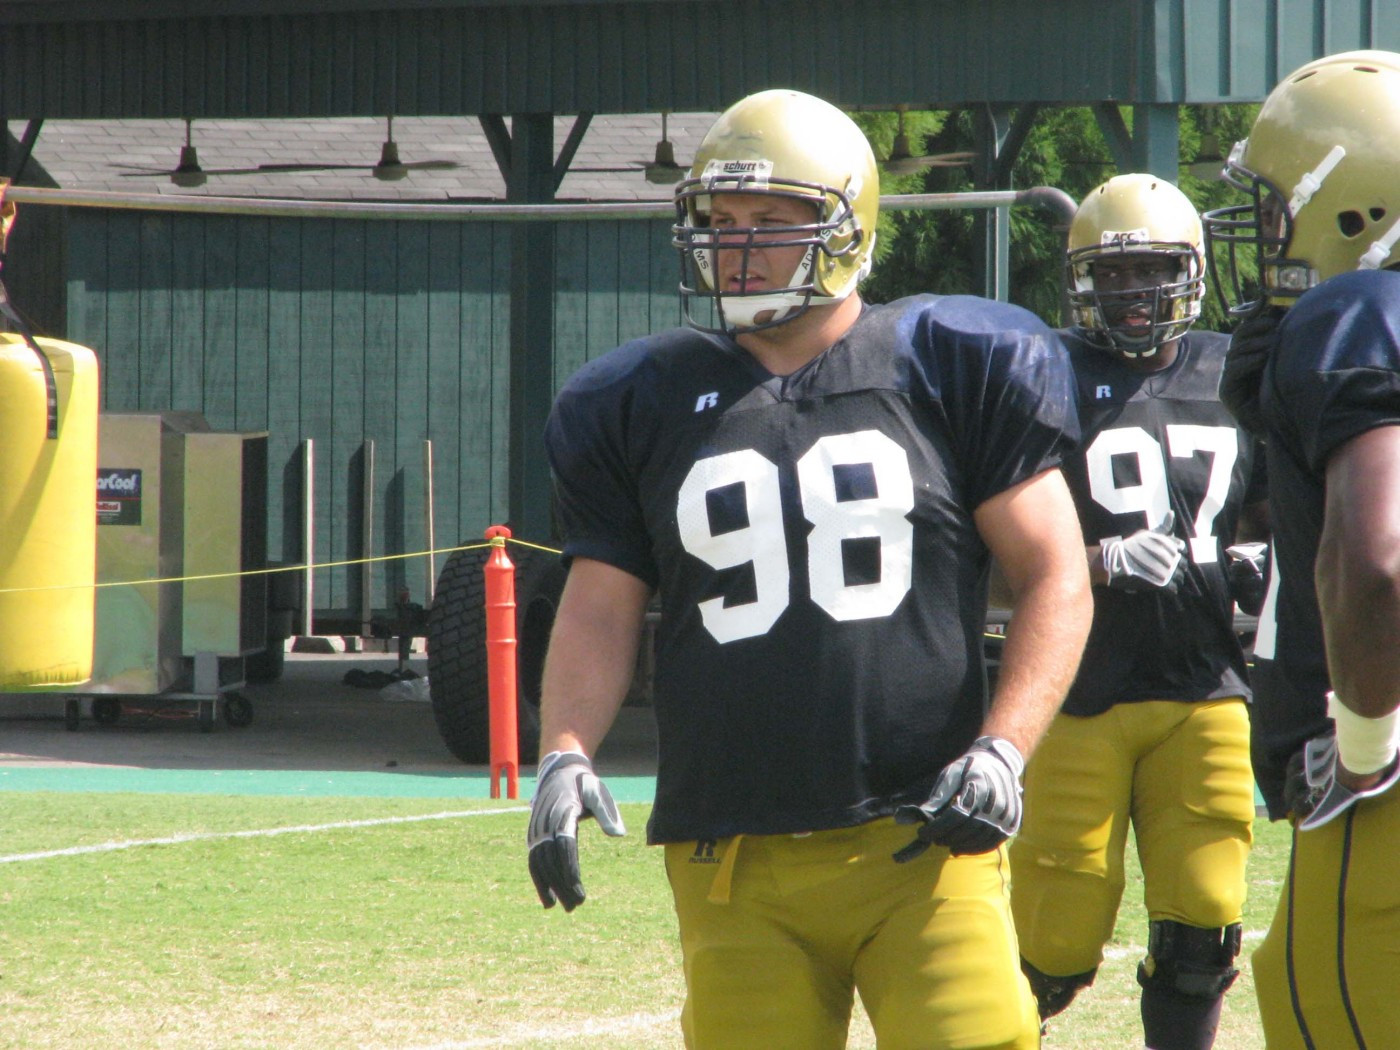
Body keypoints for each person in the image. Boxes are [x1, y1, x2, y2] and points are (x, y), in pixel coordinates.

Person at [525, 88, 1093, 1049]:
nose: (737, 247)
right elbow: (599, 603)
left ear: (846, 225)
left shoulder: (951, 362)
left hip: (925, 838)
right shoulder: (636, 399)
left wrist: (1005, 748)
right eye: (722, 221)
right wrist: (564, 751)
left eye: (772, 223)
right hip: (731, 856)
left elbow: (1056, 575)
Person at [1006, 174, 1266, 1050]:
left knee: (1202, 932)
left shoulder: (1236, 370)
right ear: (1078, 280)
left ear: (1189, 271)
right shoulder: (1039, 374)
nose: (1132, 293)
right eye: (1111, 275)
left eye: (1152, 270)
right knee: (1050, 946)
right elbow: (983, 552)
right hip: (1079, 693)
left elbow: (1278, 511)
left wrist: (1268, 560)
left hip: (1206, 688)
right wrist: (1094, 561)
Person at [1203, 49, 1400, 1047]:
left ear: (1352, 208)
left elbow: (1377, 559)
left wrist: (1361, 748)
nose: (1260, 235)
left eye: (1273, 209)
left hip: (1377, 809)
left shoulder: (1358, 310)